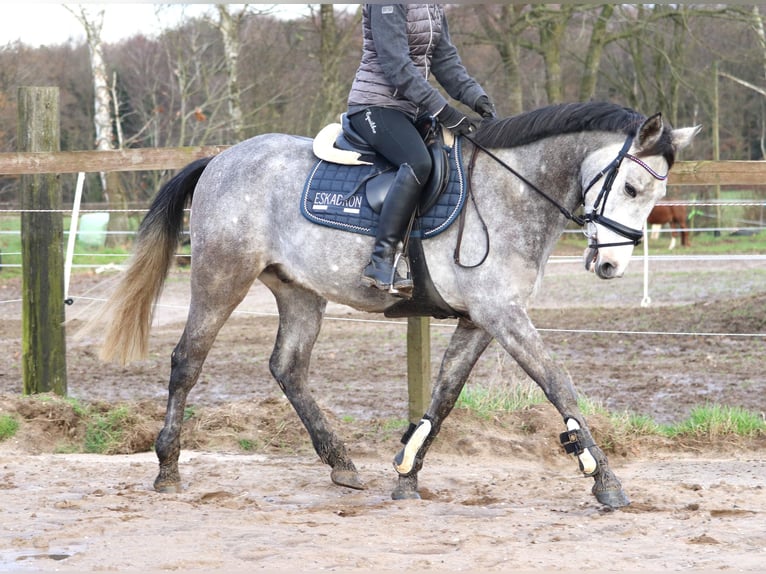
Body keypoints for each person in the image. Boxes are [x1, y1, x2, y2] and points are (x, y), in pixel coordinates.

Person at [347, 4, 496, 296]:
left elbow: (446, 62)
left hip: (410, 110)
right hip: (374, 106)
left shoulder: (433, 6)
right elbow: (395, 63)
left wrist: (476, 97)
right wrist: (443, 110)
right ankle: (381, 261)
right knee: (417, 162)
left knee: (456, 156)